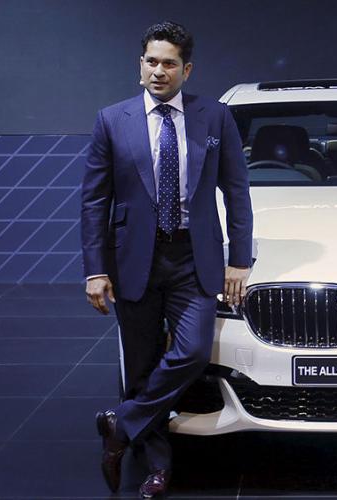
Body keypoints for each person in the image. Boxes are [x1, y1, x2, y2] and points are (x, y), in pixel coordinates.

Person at [80, 21, 253, 498]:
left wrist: (240, 259)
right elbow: (94, 201)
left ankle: (121, 424)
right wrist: (95, 269)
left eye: (169, 63)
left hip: (193, 257)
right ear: (140, 66)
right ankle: (157, 468)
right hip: (132, 259)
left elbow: (236, 190)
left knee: (193, 351)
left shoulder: (214, 117)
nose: (159, 71)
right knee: (139, 368)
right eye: (151, 61)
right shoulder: (112, 120)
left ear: (186, 70)